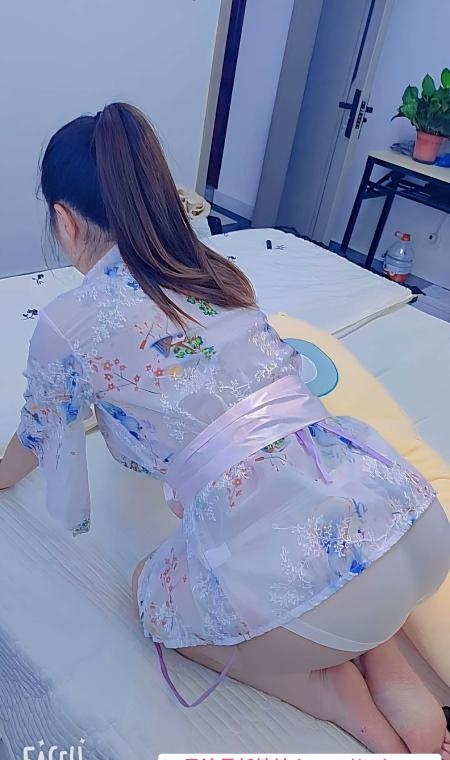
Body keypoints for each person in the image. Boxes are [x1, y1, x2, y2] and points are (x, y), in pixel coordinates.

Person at [0, 102, 449, 754]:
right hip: (409, 516)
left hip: (323, 581)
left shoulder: (70, 321)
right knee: (331, 556)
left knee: (150, 593)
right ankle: (382, 653)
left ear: (65, 221)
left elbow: (38, 433)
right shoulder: (214, 272)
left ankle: (331, 692)